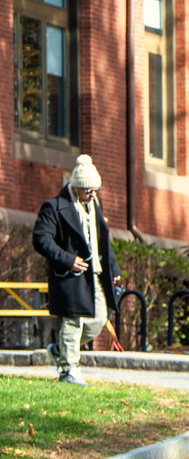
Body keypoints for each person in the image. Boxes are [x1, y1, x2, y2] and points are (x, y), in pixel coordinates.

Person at [32, 154, 119, 386]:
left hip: (95, 274)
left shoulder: (93, 205)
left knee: (100, 317)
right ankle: (69, 370)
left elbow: (103, 240)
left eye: (96, 190)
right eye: (89, 190)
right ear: (77, 187)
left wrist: (114, 268)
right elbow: (41, 240)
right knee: (73, 321)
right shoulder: (54, 208)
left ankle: (60, 350)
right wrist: (67, 259)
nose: (94, 194)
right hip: (70, 275)